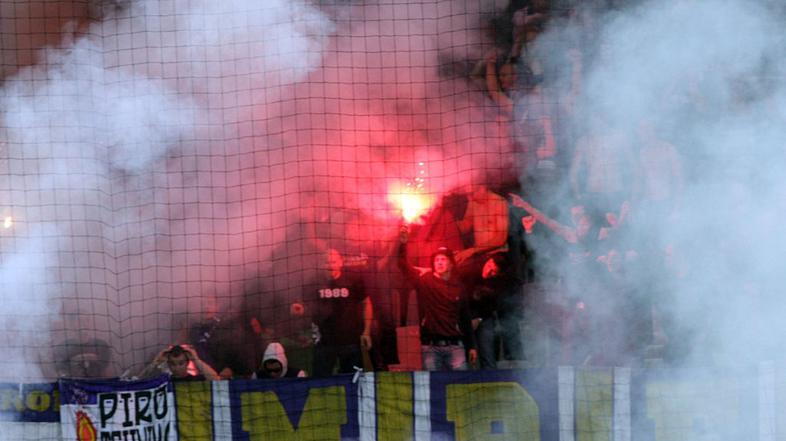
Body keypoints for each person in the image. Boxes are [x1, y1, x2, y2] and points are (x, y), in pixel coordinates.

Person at [398, 226, 477, 371]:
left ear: (451, 264)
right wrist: (403, 244)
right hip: (431, 347)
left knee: (458, 386)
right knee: (434, 388)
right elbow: (403, 266)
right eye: (436, 260)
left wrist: (472, 346)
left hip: (455, 346)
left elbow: (465, 318)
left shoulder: (458, 286)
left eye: (443, 259)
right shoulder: (425, 281)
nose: (439, 262)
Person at [292, 248, 373, 376]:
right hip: (324, 342)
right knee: (321, 383)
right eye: (327, 262)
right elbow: (305, 305)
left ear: (340, 262)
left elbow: (366, 303)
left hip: (350, 341)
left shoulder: (353, 280)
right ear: (321, 264)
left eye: (333, 262)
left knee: (353, 381)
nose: (330, 265)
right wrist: (300, 309)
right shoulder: (313, 283)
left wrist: (366, 332)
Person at [139, 344, 220, 381]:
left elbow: (216, 379)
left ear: (187, 363)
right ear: (168, 364)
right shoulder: (164, 381)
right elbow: (138, 381)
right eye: (173, 364)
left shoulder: (195, 380)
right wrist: (156, 362)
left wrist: (196, 359)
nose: (177, 368)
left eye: (181, 363)